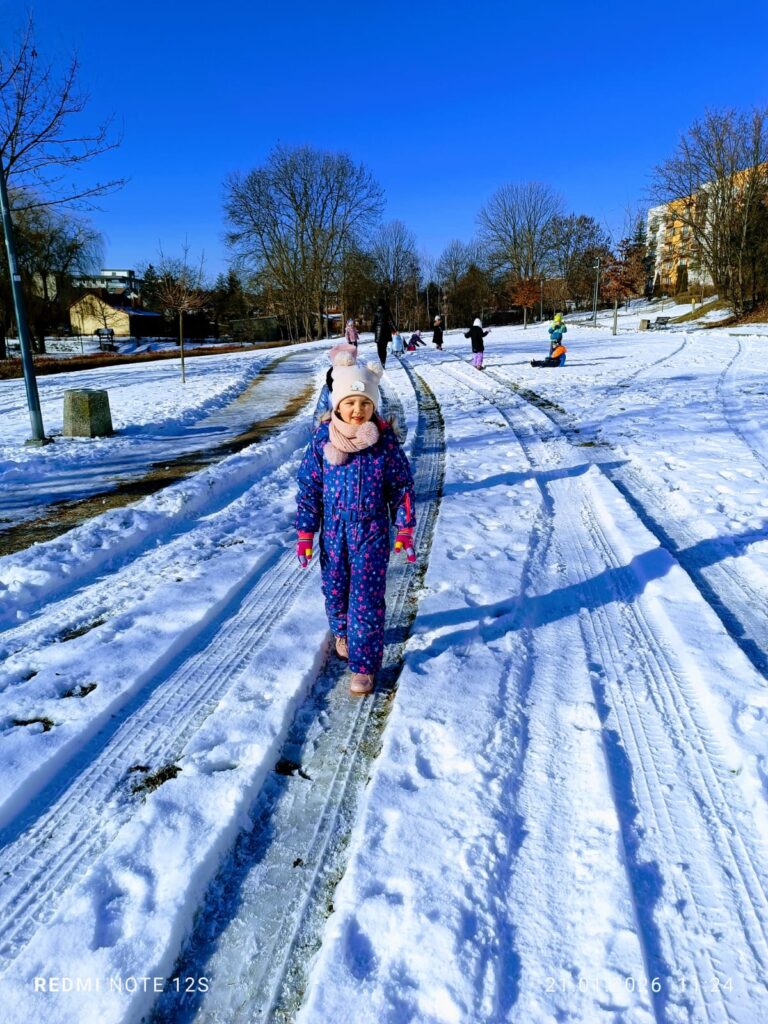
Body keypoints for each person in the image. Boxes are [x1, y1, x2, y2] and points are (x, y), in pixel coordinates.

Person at [296, 351, 416, 696]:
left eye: (364, 403)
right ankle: (342, 632)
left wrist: (404, 525)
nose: (357, 410)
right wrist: (306, 532)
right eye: (350, 402)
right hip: (333, 531)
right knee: (335, 591)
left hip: (371, 531)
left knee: (365, 598)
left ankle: (364, 665)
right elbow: (309, 488)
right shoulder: (322, 440)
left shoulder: (383, 442)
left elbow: (402, 486)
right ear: (337, 404)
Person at [314, 342, 407, 443]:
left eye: (365, 403)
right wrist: (320, 427)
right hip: (335, 426)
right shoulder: (324, 437)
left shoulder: (361, 377)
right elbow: (322, 408)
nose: (358, 409)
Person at [373, 300, 394, 366]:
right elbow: (391, 321)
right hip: (386, 331)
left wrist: (373, 329)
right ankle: (383, 362)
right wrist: (395, 329)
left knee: (379, 348)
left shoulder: (376, 312)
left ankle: (381, 360)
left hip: (378, 331)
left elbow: (374, 322)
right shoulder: (387, 311)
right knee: (384, 348)